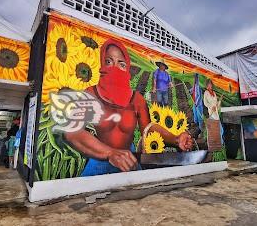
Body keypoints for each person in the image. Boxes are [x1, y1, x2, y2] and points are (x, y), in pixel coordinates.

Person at [64, 39, 193, 176]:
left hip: (129, 161)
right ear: (102, 63)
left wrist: (175, 139)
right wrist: (110, 153)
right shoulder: (91, 93)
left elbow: (148, 129)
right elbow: (73, 131)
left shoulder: (136, 99)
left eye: (121, 64)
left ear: (127, 67)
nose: (114, 67)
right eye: (108, 61)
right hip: (99, 160)